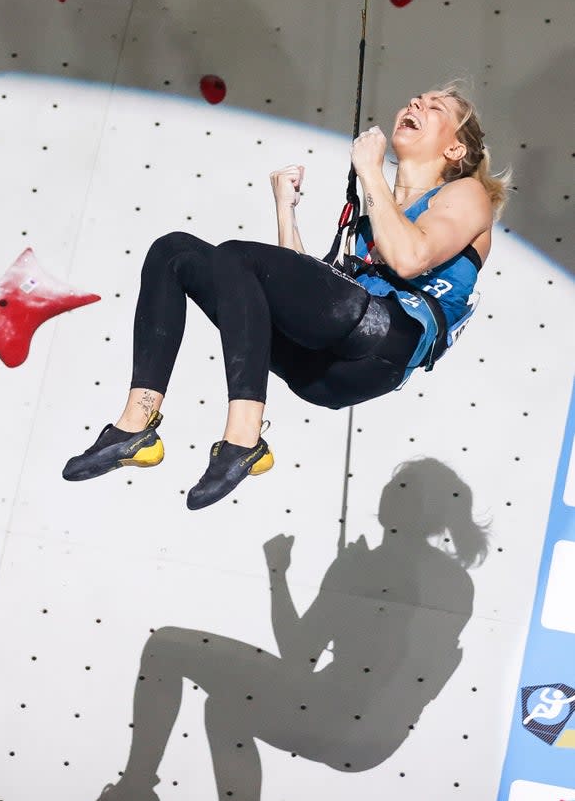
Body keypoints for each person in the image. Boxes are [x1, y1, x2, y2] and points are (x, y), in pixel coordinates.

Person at [62, 84, 509, 509]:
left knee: (236, 256)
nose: (416, 102)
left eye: (434, 107)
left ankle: (243, 439)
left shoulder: (466, 194)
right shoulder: (376, 214)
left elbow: (411, 258)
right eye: (416, 98)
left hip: (383, 348)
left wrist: (370, 170)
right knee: (174, 251)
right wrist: (285, 210)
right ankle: (135, 425)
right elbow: (296, 293)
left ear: (455, 149)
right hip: (323, 364)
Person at [95, 459, 489, 799]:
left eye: (402, 487)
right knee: (227, 708)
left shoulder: (364, 566)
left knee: (165, 646)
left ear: (421, 508)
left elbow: (299, 656)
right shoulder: (453, 581)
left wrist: (279, 573)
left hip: (330, 712)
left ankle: (134, 789)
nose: (390, 490)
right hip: (376, 738)